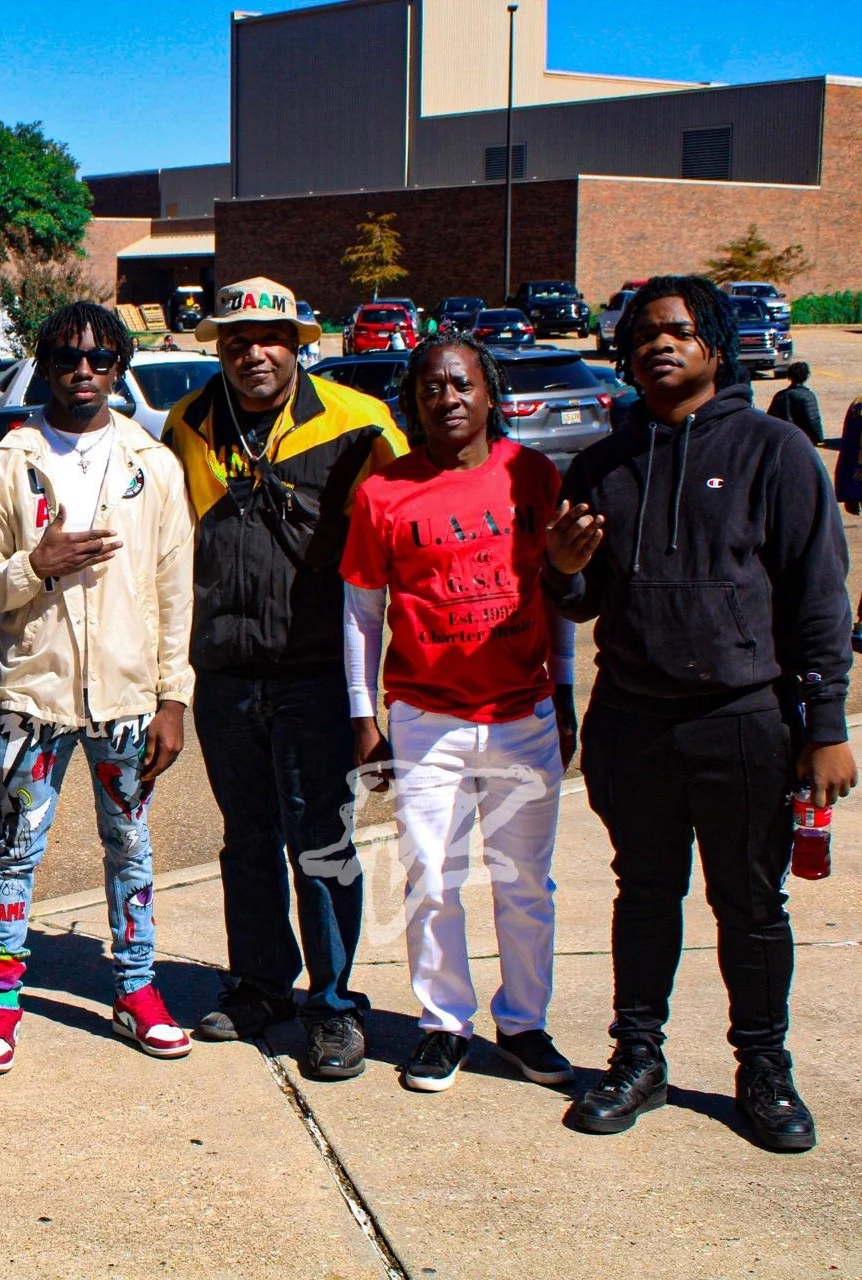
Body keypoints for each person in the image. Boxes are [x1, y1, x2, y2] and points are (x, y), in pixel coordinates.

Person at [546, 276, 855, 1152]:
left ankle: (764, 1069)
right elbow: (581, 601)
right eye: (643, 333)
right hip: (635, 721)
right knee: (644, 894)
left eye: (679, 331)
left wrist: (825, 723)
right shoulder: (604, 464)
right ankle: (638, 1058)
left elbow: (818, 597)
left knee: (751, 905)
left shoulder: (775, 450)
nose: (659, 345)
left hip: (744, 719)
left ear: (715, 346)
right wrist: (563, 568)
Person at [161, 277, 405, 1080]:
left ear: (300, 343)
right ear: (217, 347)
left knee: (322, 839)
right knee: (248, 841)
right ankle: (262, 982)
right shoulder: (188, 424)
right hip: (227, 669)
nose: (254, 352)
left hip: (316, 672)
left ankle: (333, 1007)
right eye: (236, 340)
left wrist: (384, 687)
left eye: (272, 338)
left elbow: (398, 553)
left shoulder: (357, 423)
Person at [0, 301, 196, 1075]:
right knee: (16, 849)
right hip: (35, 697)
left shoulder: (150, 463)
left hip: (128, 702)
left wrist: (173, 696)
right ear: (45, 365)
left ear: (120, 366)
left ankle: (137, 989)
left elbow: (172, 589)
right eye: (67, 358)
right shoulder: (8, 463)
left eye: (99, 359)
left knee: (129, 844)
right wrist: (36, 565)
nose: (83, 373)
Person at [341, 333, 577, 1094]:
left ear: (488, 392)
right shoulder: (386, 494)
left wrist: (566, 689)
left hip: (521, 713)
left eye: (462, 384)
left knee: (525, 884)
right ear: (413, 401)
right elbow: (360, 613)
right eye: (431, 388)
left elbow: (560, 593)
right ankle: (444, 1023)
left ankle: (523, 1024)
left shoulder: (533, 475)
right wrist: (363, 715)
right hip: (425, 717)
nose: (447, 399)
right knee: (431, 881)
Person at [765, 361, 823, 446]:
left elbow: (770, 418)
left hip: (783, 439)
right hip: (802, 440)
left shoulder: (781, 395)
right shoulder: (808, 396)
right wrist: (818, 438)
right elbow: (813, 420)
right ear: (806, 376)